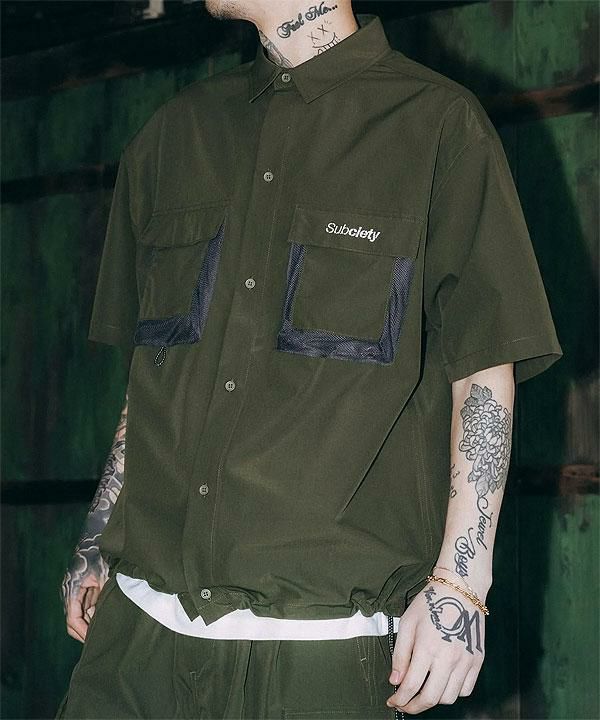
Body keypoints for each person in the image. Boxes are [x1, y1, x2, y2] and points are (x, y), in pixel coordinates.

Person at [56, 1, 563, 718]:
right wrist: (97, 540)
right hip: (135, 643)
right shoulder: (173, 134)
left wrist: (460, 586)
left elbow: (484, 369)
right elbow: (156, 371)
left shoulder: (438, 127)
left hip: (319, 660)